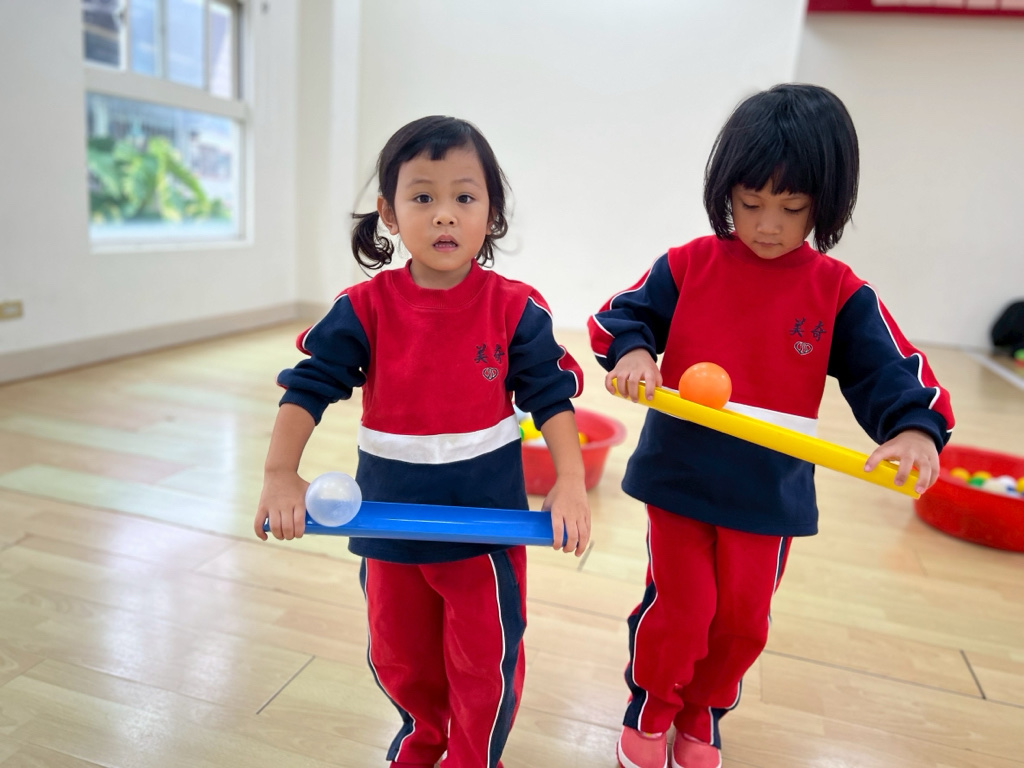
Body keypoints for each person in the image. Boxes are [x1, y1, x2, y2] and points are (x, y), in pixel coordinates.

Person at [588, 84, 955, 768]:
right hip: (681, 474)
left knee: (742, 619)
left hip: (769, 489)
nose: (765, 225)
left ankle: (702, 710)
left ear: (826, 203)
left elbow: (891, 369)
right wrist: (634, 352)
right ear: (725, 191)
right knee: (682, 606)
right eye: (749, 203)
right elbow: (620, 316)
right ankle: (653, 706)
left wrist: (914, 428)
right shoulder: (689, 264)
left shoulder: (838, 290)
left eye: (791, 209)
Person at [254, 115, 591, 768]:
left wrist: (571, 481)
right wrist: (278, 474)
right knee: (398, 656)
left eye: (464, 197)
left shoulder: (514, 308)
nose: (444, 214)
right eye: (422, 196)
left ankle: (472, 756)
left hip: (484, 530)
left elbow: (551, 397)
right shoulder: (364, 307)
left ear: (491, 213)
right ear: (389, 212)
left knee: (483, 663)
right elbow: (310, 384)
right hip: (389, 523)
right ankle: (424, 734)